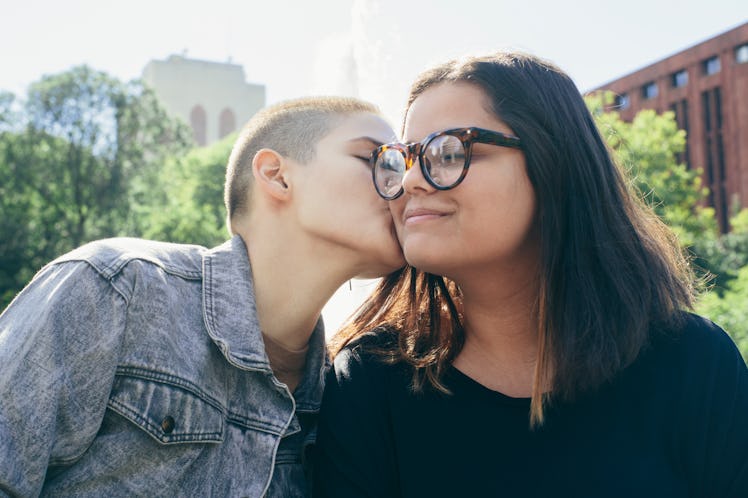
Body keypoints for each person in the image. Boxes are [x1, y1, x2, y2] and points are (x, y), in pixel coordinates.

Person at [313, 52, 748, 497]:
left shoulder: (693, 363)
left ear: (552, 163)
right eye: (404, 158)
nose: (410, 183)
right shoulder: (370, 381)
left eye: (449, 152)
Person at [0, 96, 404, 497]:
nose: (404, 186)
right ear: (276, 175)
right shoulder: (116, 289)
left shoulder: (345, 398)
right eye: (378, 160)